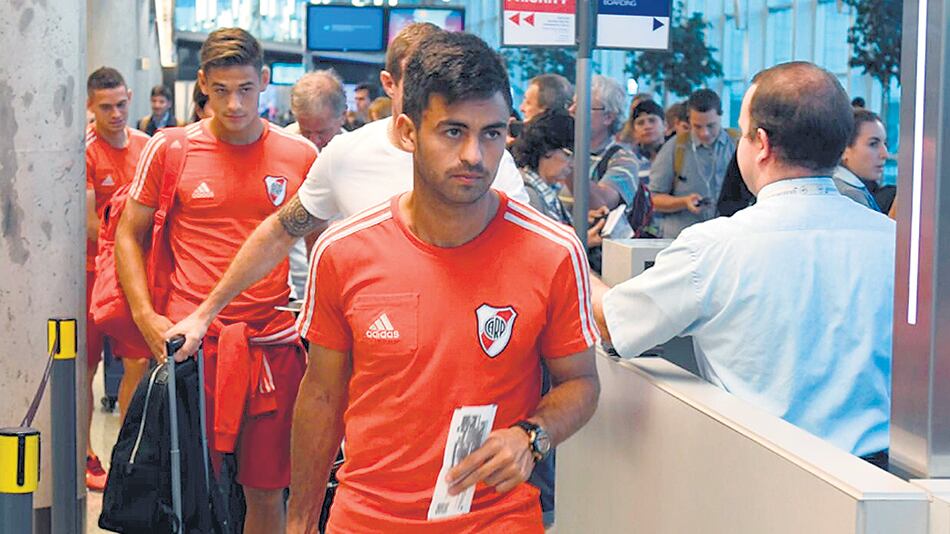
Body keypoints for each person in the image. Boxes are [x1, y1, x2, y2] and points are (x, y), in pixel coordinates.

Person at [286, 30, 600, 533]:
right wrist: (299, 523)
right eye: (453, 131)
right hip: (367, 519)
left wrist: (532, 435)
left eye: (492, 133)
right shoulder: (344, 252)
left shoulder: (552, 252)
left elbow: (581, 382)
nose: (475, 155)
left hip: (497, 520)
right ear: (408, 132)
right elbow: (322, 396)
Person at [164, 23, 529, 380]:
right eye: (418, 82)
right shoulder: (346, 155)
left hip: (466, 355)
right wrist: (205, 313)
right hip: (373, 362)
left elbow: (532, 249)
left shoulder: (484, 161)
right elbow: (279, 232)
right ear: (391, 84)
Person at [596, 62, 895, 468]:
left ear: (763, 144)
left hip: (761, 478)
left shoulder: (716, 246)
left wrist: (575, 262)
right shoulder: (893, 243)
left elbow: (613, 323)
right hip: (877, 480)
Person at [116, 28, 318, 534]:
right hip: (192, 347)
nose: (234, 104)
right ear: (202, 83)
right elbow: (128, 235)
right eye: (222, 90)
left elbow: (325, 251)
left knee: (267, 489)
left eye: (246, 89)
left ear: (265, 83)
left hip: (271, 344)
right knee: (189, 488)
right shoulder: (171, 149)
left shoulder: (299, 156)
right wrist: (147, 318)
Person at [84, 66, 151, 491]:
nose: (115, 114)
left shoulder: (146, 147)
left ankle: (126, 456)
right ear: (91, 107)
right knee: (84, 369)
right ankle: (85, 455)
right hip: (92, 275)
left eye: (121, 104)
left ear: (130, 97)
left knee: (139, 363)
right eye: (105, 107)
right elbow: (89, 223)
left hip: (136, 276)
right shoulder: (86, 152)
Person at [649, 89, 737, 238]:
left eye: (711, 126)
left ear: (721, 116)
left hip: (725, 239)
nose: (705, 133)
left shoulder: (737, 144)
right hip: (681, 238)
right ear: (689, 120)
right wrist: (684, 202)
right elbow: (654, 199)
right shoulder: (675, 147)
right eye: (697, 126)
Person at [833, 109, 894, 213]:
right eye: (873, 144)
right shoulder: (850, 196)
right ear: (845, 149)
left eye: (885, 144)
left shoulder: (844, 188)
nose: (885, 154)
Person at [284, 70, 347, 150]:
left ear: (343, 116)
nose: (313, 142)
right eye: (306, 132)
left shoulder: (356, 154)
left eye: (322, 132)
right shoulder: (283, 146)